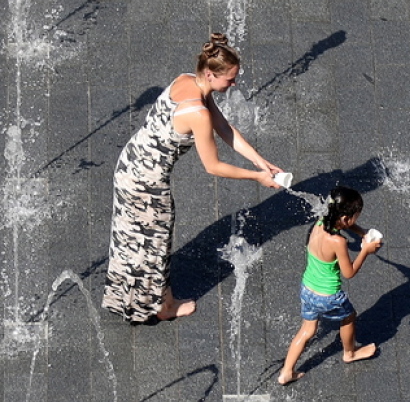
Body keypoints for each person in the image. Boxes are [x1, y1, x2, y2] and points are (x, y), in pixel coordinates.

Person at [103, 33, 283, 323]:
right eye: (230, 79)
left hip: (131, 162)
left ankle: (133, 298)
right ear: (211, 74)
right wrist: (257, 178)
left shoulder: (187, 79)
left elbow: (223, 127)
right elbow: (212, 166)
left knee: (132, 238)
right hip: (146, 183)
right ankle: (165, 306)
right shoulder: (197, 112)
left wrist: (258, 159)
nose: (234, 84)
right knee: (155, 240)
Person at [279, 186, 381, 385]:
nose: (356, 222)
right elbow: (349, 272)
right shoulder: (338, 242)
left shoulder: (319, 224)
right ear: (344, 219)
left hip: (308, 289)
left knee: (307, 330)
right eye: (355, 218)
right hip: (328, 296)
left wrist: (361, 232)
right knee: (349, 317)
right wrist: (365, 251)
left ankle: (286, 372)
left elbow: (342, 223)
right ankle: (349, 353)